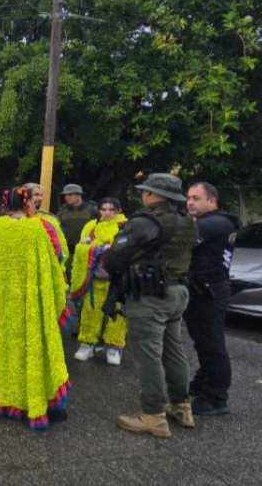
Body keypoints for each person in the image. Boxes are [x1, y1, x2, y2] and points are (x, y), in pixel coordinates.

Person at [103, 173, 198, 438]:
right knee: (173, 349)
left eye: (146, 191)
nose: (143, 195)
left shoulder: (145, 221)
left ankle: (153, 415)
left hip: (150, 296)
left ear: (155, 195)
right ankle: (181, 407)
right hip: (178, 292)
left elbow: (112, 258)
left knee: (149, 354)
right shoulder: (187, 222)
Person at [0, 186, 70, 430]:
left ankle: (6, 398)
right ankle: (34, 400)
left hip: (3, 305)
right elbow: (52, 267)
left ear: (5, 204)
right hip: (31, 305)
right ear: (27, 203)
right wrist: (55, 301)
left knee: (6, 351)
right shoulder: (37, 229)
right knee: (32, 352)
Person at [185, 182, 240, 416]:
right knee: (204, 342)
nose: (190, 202)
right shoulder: (212, 222)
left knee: (212, 345)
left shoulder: (215, 223)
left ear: (212, 201)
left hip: (209, 291)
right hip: (204, 289)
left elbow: (181, 242)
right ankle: (203, 382)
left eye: (196, 198)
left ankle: (216, 397)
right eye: (188, 197)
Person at [70, 198, 128, 365]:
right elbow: (80, 248)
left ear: (118, 210)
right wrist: (98, 249)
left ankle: (114, 346)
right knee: (90, 310)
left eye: (112, 209)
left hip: (117, 280)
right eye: (104, 209)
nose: (108, 213)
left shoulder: (126, 226)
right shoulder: (91, 226)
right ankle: (87, 343)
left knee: (117, 312)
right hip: (95, 278)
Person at [57, 183, 99, 279]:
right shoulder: (62, 212)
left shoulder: (93, 210)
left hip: (87, 253)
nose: (67, 197)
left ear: (79, 195)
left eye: (70, 194)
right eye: (66, 195)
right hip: (69, 253)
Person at [25, 183, 68, 263]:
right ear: (25, 196)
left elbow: (60, 248)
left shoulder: (50, 219)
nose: (40, 198)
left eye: (41, 195)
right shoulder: (16, 218)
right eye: (36, 195)